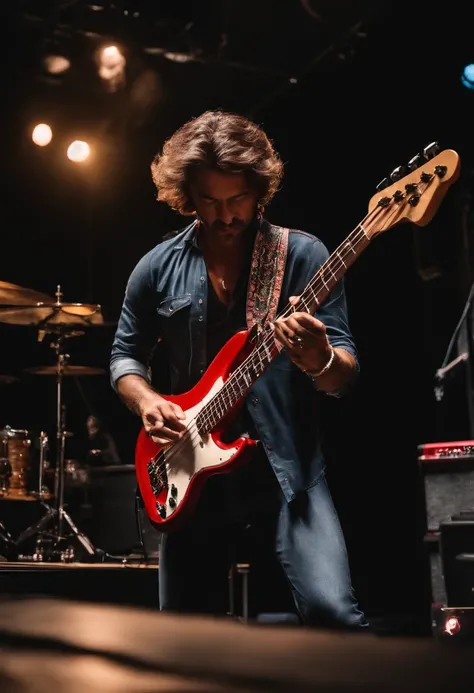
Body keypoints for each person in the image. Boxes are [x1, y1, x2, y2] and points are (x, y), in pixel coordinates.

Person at [110, 109, 368, 630]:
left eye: (238, 200)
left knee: (334, 614)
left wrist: (319, 359)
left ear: (259, 189)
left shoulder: (302, 255)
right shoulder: (156, 267)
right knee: (181, 636)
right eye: (210, 201)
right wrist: (148, 401)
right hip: (191, 466)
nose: (227, 215)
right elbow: (125, 356)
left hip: (288, 468)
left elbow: (345, 376)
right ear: (187, 195)